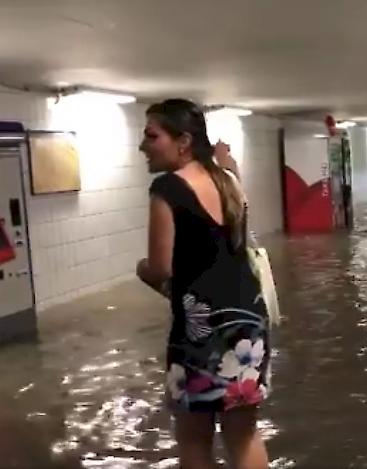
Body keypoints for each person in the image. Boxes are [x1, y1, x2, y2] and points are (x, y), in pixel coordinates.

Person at [136, 99, 269, 469]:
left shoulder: (167, 188)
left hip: (201, 330)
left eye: (151, 135)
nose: (142, 145)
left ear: (183, 142)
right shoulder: (227, 180)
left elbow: (161, 268)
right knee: (244, 435)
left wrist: (141, 269)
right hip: (249, 322)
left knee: (194, 437)